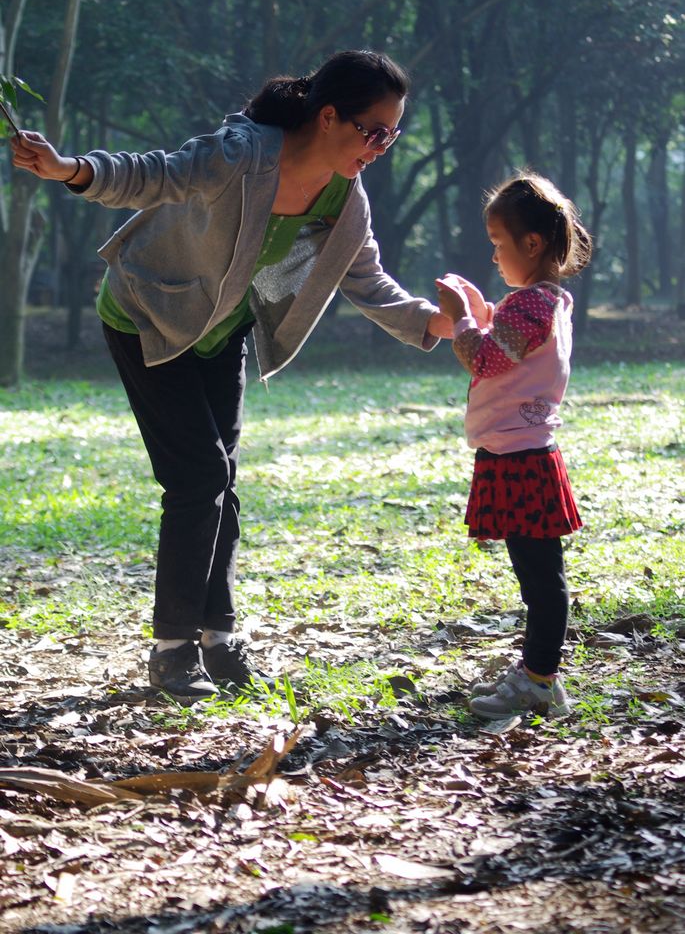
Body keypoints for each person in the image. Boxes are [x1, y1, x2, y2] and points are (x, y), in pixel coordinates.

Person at [12, 50, 453, 702]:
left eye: (392, 134)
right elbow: (154, 175)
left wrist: (442, 322)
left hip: (222, 332)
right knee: (200, 478)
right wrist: (71, 169)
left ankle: (219, 639)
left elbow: (368, 283)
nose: (381, 146)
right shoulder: (242, 155)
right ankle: (171, 652)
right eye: (372, 131)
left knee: (222, 481)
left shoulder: (344, 199)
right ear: (328, 116)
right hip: (148, 316)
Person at [435, 172, 592, 721]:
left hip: (523, 460)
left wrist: (460, 322)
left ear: (532, 244)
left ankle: (540, 680)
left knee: (542, 583)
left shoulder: (533, 305)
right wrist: (480, 314)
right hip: (515, 453)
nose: (496, 256)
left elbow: (485, 359)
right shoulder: (539, 303)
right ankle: (537, 675)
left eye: (500, 245)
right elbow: (505, 351)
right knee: (537, 578)